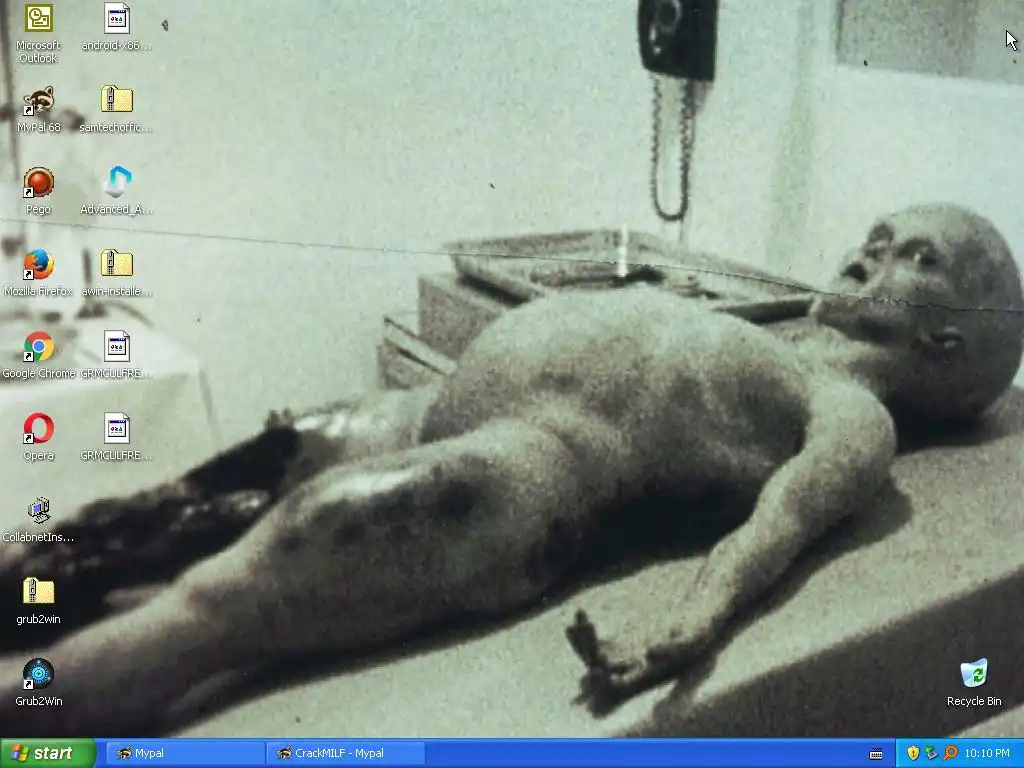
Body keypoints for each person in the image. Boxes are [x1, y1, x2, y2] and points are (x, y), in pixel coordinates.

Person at [2, 203, 1021, 735]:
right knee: (160, 511)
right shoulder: (786, 333)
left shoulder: (853, 416)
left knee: (216, 602)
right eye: (877, 235)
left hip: (530, 472)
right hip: (428, 412)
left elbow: (780, 525)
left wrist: (688, 627)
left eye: (916, 258)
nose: (868, 252)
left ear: (948, 344)